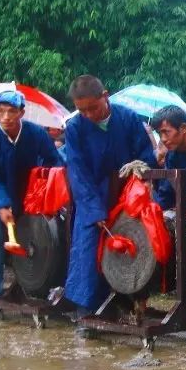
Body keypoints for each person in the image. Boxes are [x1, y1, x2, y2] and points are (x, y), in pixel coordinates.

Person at [60, 75, 155, 317]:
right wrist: (93, 210)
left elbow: (146, 157)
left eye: (93, 107)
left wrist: (140, 168)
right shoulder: (75, 128)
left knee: (134, 246)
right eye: (82, 110)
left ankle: (128, 302)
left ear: (105, 95)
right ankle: (86, 312)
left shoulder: (129, 119)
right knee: (88, 248)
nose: (89, 114)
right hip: (92, 196)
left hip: (126, 196)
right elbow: (78, 173)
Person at [0, 89, 62, 319]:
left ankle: (35, 289)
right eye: (0, 111)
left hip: (29, 198)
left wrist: (43, 186)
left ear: (22, 112)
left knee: (41, 243)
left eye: (11, 111)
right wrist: (1, 204)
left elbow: (54, 162)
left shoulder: (36, 134)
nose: (5, 117)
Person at [150, 105, 186, 242]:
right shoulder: (171, 156)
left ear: (183, 128)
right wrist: (153, 215)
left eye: (166, 132)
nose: (163, 139)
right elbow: (166, 191)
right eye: (160, 134)